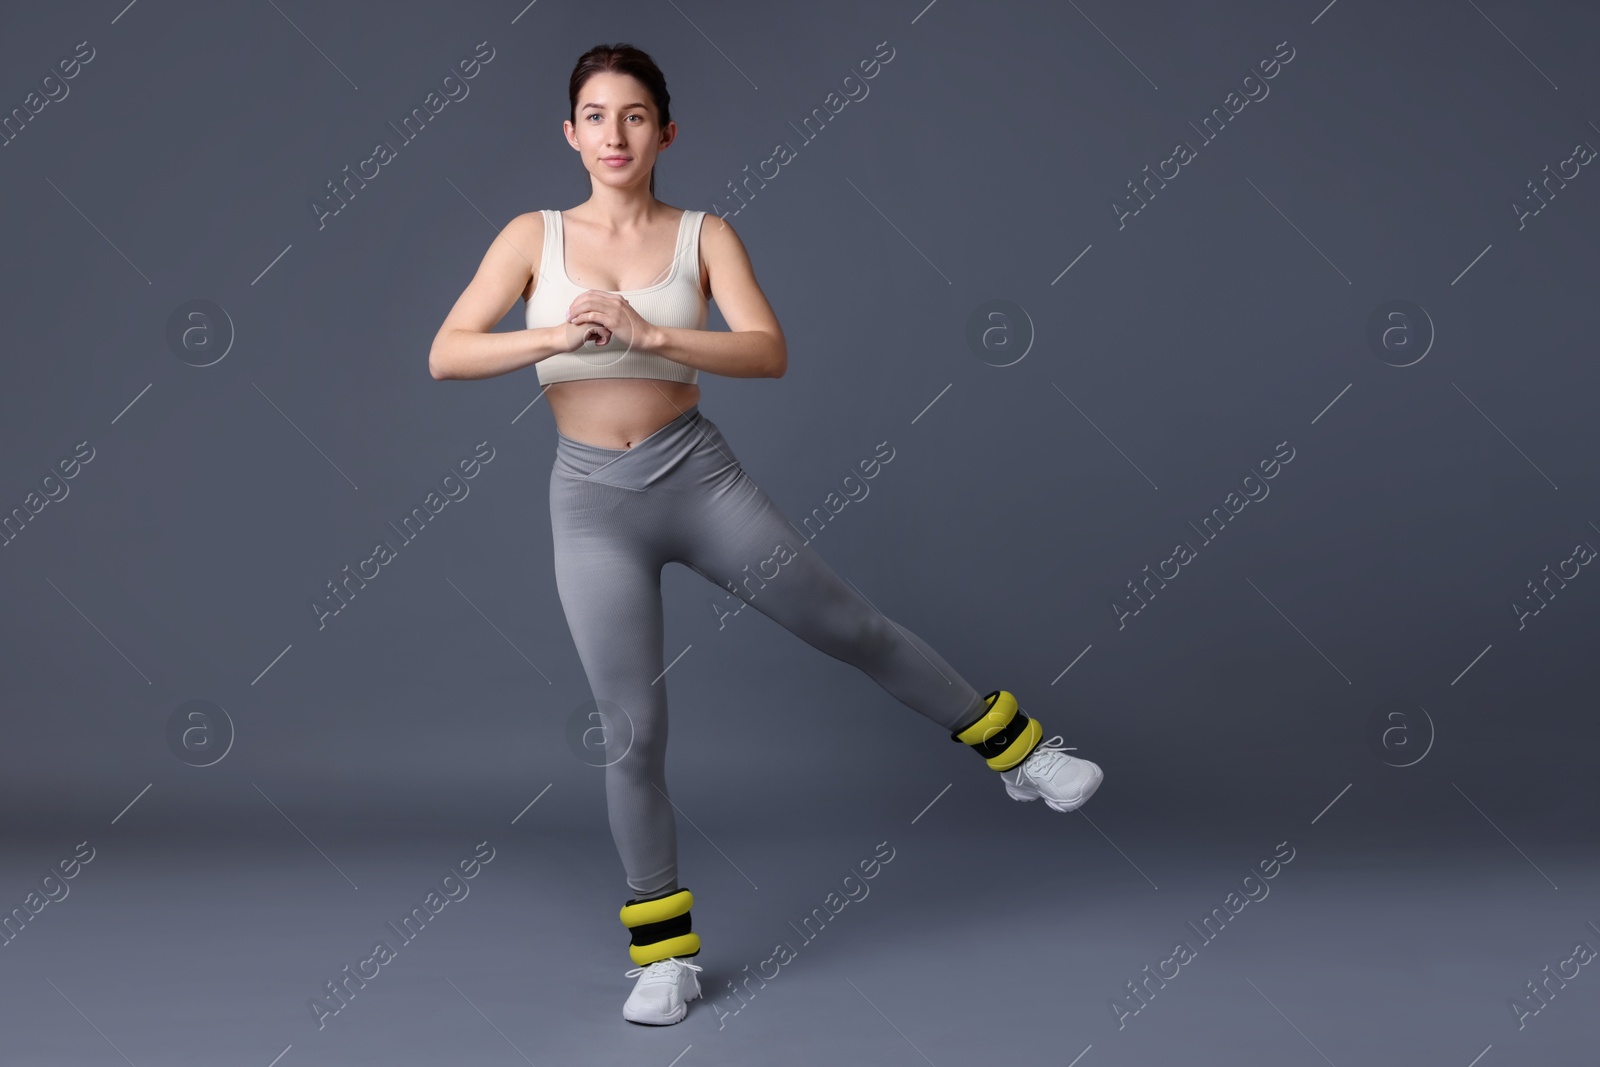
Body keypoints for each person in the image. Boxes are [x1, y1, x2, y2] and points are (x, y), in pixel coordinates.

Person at [428, 42, 1104, 1027]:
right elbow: (447, 353)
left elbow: (766, 349)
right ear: (569, 133)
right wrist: (553, 333)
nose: (614, 135)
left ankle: (1020, 751)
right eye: (595, 116)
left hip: (695, 478)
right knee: (630, 732)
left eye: (633, 116)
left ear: (665, 130)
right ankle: (664, 957)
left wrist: (651, 334)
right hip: (588, 503)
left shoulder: (705, 233)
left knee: (851, 627)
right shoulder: (531, 238)